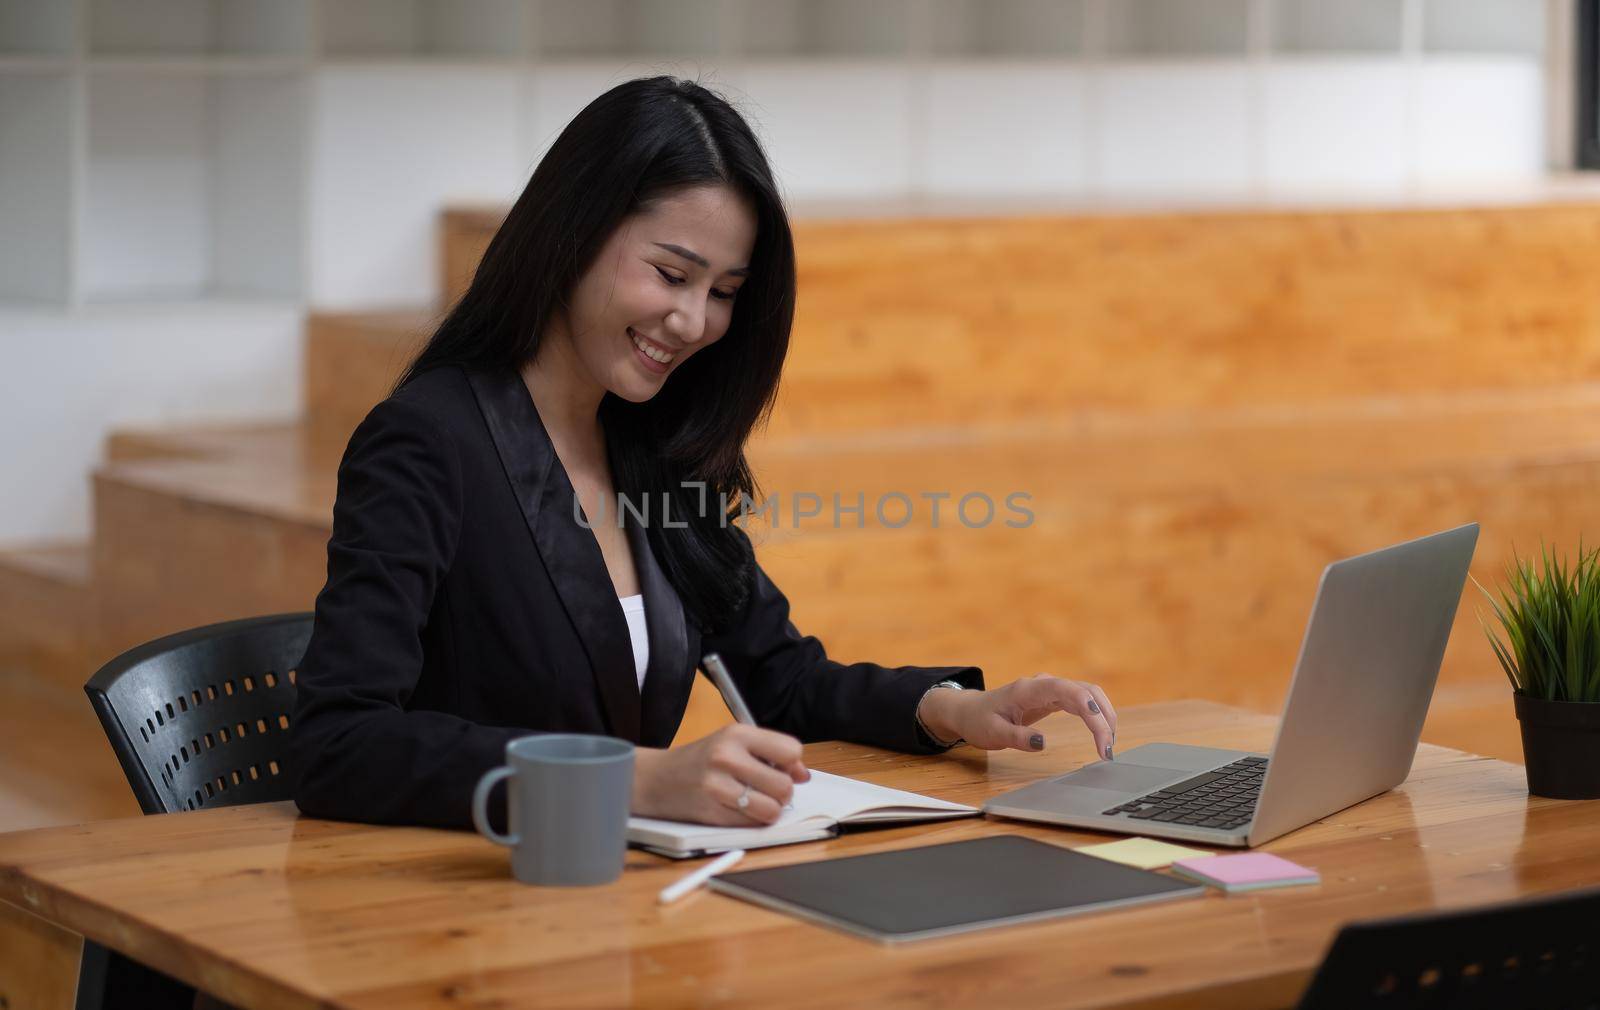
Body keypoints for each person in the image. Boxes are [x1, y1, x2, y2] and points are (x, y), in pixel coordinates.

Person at [288, 76, 1117, 832]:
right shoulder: (431, 441)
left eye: (722, 293)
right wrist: (631, 782)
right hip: (451, 909)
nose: (693, 322)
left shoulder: (650, 447)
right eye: (670, 273)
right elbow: (342, 742)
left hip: (608, 904)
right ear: (572, 233)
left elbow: (780, 679)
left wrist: (955, 710)